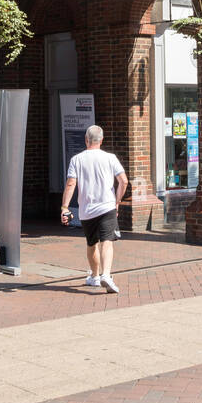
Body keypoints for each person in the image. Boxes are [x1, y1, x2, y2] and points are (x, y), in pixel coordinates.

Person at [60, 125, 128, 293]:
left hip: (86, 210)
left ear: (86, 140)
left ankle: (95, 277)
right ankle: (106, 274)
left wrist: (64, 207)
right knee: (107, 241)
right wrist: (117, 202)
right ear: (101, 140)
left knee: (92, 244)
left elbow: (71, 183)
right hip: (107, 206)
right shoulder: (110, 158)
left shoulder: (76, 159)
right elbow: (124, 181)